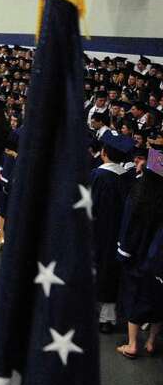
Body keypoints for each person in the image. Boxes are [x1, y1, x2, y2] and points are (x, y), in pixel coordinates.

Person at [114, 149, 163, 359]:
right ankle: (151, 342)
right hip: (159, 258)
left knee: (134, 296)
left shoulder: (138, 194)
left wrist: (122, 252)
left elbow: (128, 226)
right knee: (158, 299)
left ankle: (133, 344)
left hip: (137, 254)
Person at [90, 133, 134, 333]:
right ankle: (107, 318)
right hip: (118, 235)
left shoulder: (98, 176)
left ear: (104, 153)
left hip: (97, 232)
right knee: (111, 273)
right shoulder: (127, 177)